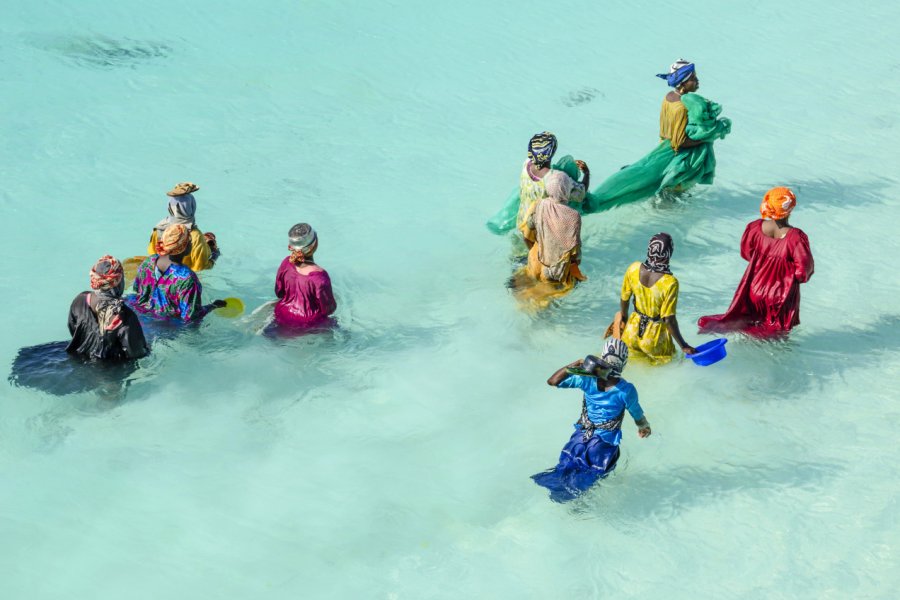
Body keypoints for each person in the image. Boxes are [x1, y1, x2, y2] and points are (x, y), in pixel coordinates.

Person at [586, 60, 731, 212]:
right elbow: (680, 142)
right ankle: (666, 212)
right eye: (693, 78)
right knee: (672, 190)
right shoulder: (682, 106)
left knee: (650, 180)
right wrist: (708, 136)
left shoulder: (669, 97)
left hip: (663, 147)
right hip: (676, 155)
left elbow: (667, 131)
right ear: (683, 83)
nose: (697, 81)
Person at [532, 339, 650, 502]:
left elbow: (552, 381)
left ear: (602, 358)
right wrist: (644, 427)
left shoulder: (586, 379)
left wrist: (577, 364)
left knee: (564, 473)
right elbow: (637, 414)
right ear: (623, 363)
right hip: (603, 445)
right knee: (588, 485)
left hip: (579, 439)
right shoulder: (626, 390)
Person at [698, 187, 814, 335]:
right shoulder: (796, 237)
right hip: (781, 296)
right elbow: (804, 271)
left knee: (750, 329)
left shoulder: (754, 228)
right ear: (790, 209)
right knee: (776, 336)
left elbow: (747, 254)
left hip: (754, 288)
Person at [486, 132, 589, 235]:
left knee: (523, 247)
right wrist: (586, 173)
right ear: (552, 152)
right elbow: (581, 194)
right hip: (543, 228)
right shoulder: (557, 178)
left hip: (524, 220)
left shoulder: (526, 164)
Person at [510, 171, 587, 308]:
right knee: (546, 301)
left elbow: (527, 235)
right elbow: (574, 251)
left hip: (535, 261)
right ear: (567, 189)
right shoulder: (573, 216)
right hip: (554, 272)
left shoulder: (539, 205)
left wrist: (535, 252)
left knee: (526, 290)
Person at [618, 233, 696, 363]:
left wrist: (624, 320)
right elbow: (669, 320)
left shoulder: (633, 268)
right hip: (654, 339)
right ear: (669, 253)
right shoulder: (669, 282)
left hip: (631, 332)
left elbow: (624, 298)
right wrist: (684, 345)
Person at [129, 224, 225, 322]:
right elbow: (191, 316)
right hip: (164, 326)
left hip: (136, 313)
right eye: (190, 241)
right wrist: (213, 306)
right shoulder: (187, 278)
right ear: (184, 247)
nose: (191, 244)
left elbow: (137, 289)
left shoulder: (148, 261)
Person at [67, 255, 149, 360]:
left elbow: (72, 330)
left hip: (78, 358)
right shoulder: (125, 316)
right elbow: (137, 354)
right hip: (111, 372)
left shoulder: (80, 300)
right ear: (118, 282)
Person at [274, 223, 337, 327]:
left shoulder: (286, 263)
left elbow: (279, 293)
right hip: (308, 324)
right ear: (314, 245)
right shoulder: (320, 277)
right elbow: (329, 310)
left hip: (281, 314)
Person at [147, 182, 220, 272]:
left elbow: (152, 255)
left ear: (170, 207)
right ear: (193, 207)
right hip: (184, 275)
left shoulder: (159, 227)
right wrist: (213, 258)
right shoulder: (195, 235)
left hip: (160, 270)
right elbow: (199, 267)